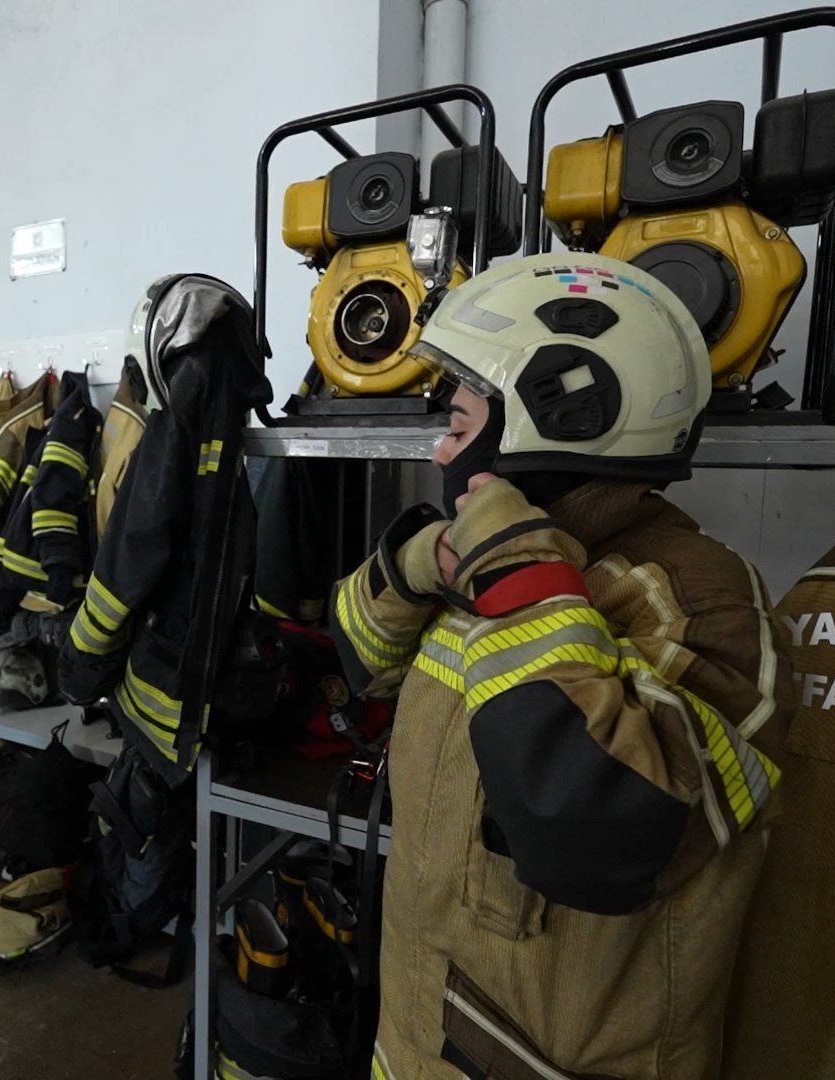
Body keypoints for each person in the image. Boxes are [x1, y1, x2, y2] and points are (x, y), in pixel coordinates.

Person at [329, 252, 793, 1080]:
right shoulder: (480, 558)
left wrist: (529, 585)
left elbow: (599, 832)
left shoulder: (699, 603)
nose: (442, 454)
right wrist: (412, 567)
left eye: (463, 428)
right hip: (414, 1038)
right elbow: (359, 660)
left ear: (561, 416)